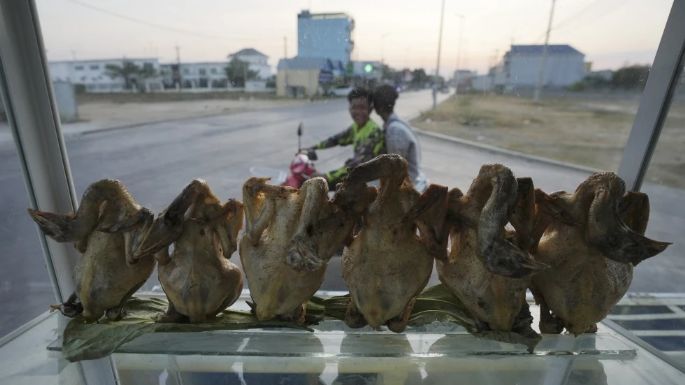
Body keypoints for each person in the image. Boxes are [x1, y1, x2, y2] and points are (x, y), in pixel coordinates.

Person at [307, 87, 385, 189]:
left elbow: (357, 165)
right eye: (354, 107)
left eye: (362, 107)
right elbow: (336, 139)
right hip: (356, 178)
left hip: (371, 186)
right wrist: (313, 147)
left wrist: (327, 176)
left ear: (370, 110)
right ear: (349, 108)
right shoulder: (356, 127)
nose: (357, 112)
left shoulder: (373, 132)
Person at [373, 84, 428, 192]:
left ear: (377, 108)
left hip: (408, 186)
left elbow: (395, 169)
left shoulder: (394, 131)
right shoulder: (397, 124)